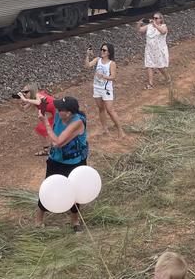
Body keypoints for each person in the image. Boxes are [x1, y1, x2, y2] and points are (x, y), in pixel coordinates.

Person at [34, 96, 89, 232]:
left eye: (60, 109)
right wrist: (37, 103)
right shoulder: (60, 113)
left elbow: (58, 142)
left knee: (74, 193)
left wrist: (45, 122)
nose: (57, 111)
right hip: (55, 161)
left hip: (74, 164)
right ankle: (38, 220)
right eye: (57, 108)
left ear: (69, 113)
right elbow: (43, 103)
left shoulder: (77, 122)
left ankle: (75, 222)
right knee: (48, 188)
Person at [84, 43, 125, 137]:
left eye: (104, 50)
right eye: (101, 49)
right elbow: (87, 65)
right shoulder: (98, 60)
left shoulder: (112, 63)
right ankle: (105, 129)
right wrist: (87, 55)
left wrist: (103, 76)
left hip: (106, 89)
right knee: (101, 109)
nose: (102, 51)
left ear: (109, 52)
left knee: (110, 110)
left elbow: (113, 77)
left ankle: (120, 129)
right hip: (97, 88)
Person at [17, 83, 56, 156]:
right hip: (54, 114)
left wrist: (25, 99)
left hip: (59, 112)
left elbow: (38, 102)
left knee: (56, 129)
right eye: (23, 92)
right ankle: (46, 149)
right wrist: (19, 104)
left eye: (26, 92)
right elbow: (24, 109)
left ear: (32, 91)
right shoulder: (32, 98)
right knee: (40, 129)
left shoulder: (38, 95)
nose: (24, 94)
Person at [137, 12, 170, 89]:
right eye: (153, 18)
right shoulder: (149, 26)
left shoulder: (163, 26)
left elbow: (163, 32)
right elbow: (140, 30)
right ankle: (150, 84)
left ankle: (167, 77)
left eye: (156, 18)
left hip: (159, 50)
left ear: (160, 19)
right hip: (149, 49)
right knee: (149, 65)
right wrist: (139, 24)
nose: (154, 19)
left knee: (160, 67)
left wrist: (155, 25)